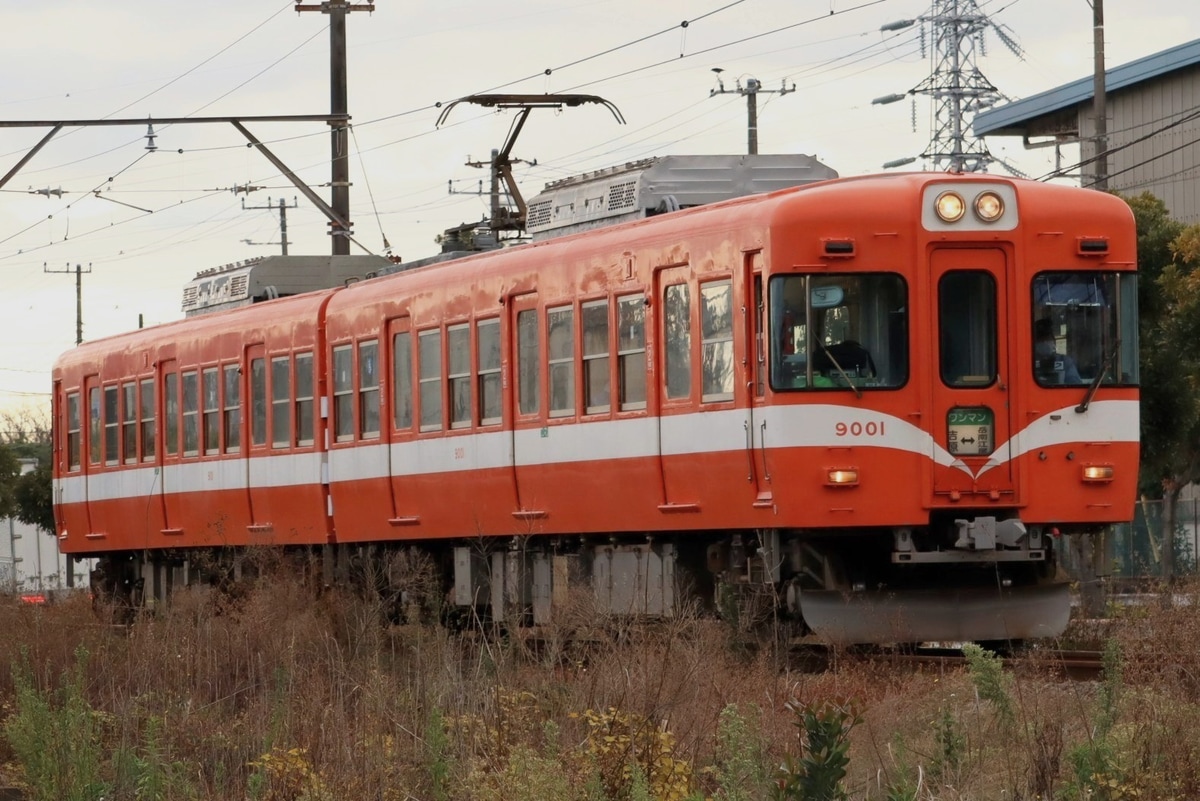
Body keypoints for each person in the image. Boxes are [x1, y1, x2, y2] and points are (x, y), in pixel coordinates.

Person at [1034, 318, 1081, 384]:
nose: (1045, 342)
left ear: (1054, 341)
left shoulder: (1064, 361)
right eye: (1041, 339)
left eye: (1048, 339)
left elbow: (1075, 384)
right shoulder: (1028, 362)